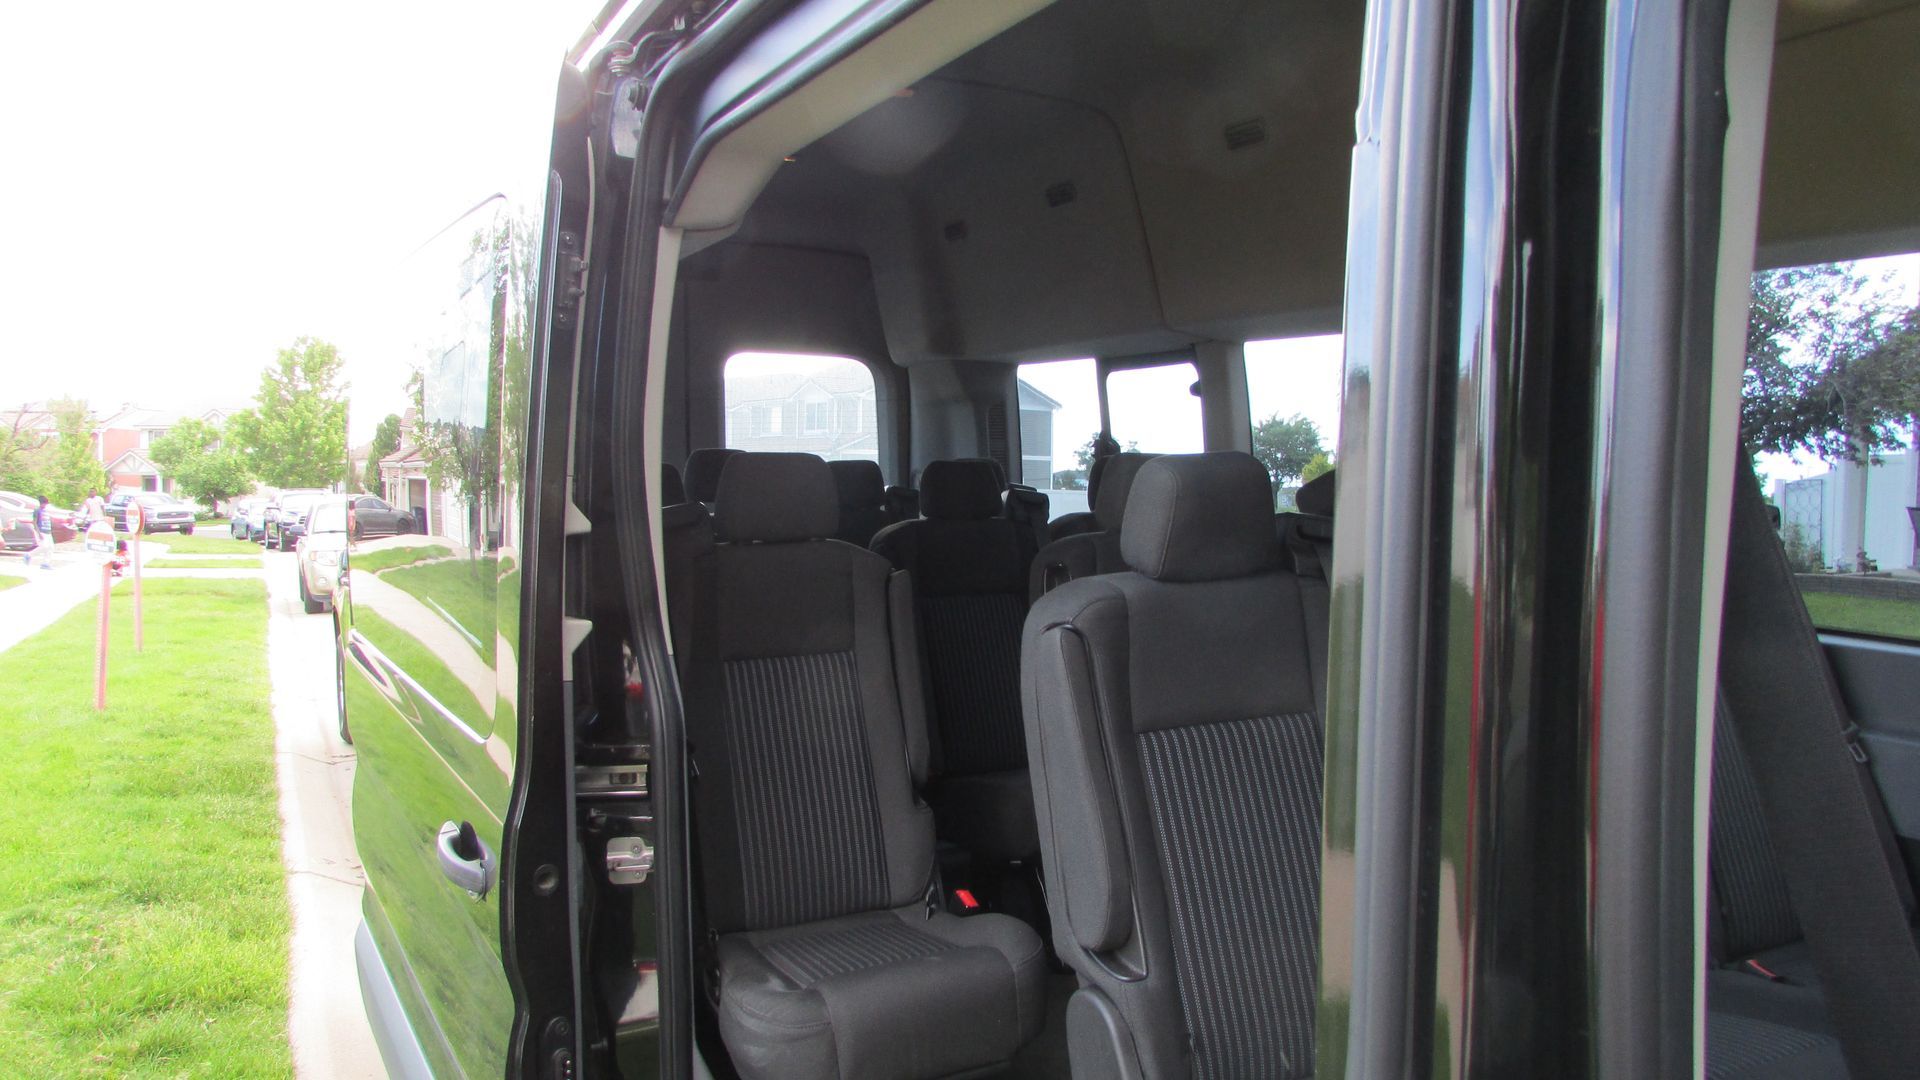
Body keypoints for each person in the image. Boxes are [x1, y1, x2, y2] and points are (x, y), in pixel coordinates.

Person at [30, 495, 55, 570]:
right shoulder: (37, 511)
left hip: (48, 532)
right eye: (45, 503)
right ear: (42, 503)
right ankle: (29, 555)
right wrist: (39, 533)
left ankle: (45, 563)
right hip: (41, 531)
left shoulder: (46, 512)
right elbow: (34, 523)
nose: (46, 505)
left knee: (50, 547)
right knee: (44, 546)